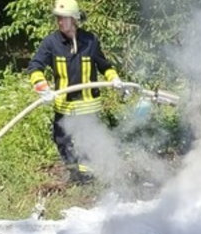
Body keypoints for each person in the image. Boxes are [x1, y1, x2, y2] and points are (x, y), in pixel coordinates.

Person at [26, 0, 127, 184]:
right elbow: (35, 66)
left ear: (74, 19)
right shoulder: (51, 43)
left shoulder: (90, 41)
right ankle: (75, 175)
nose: (60, 22)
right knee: (62, 142)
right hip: (64, 107)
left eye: (64, 18)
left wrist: (114, 79)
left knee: (88, 143)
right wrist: (42, 87)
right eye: (58, 18)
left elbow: (104, 66)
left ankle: (89, 180)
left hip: (88, 107)